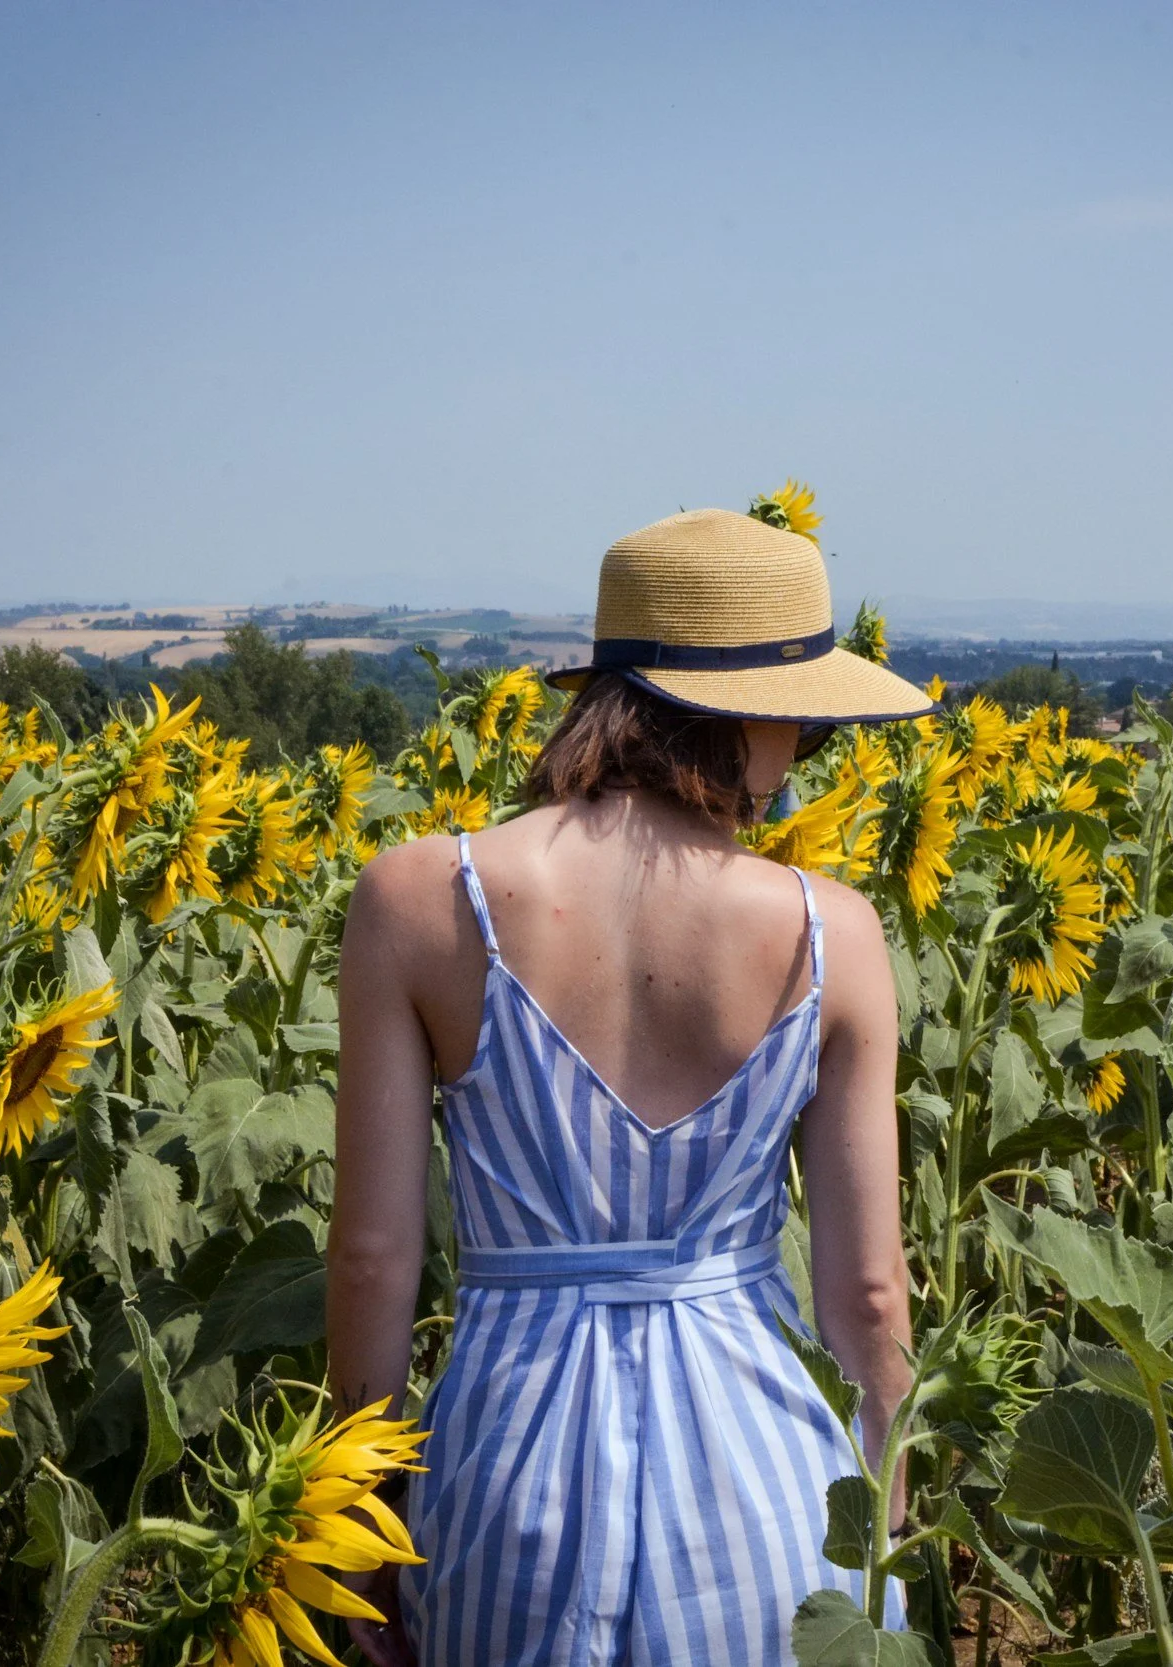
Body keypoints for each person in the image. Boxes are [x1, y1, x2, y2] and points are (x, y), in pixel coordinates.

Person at [329, 508, 932, 1665]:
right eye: (799, 724)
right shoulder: (829, 932)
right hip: (765, 1482)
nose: (796, 759)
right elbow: (866, 1290)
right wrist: (887, 1524)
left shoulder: (416, 900)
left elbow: (370, 1261)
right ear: (742, 715)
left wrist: (355, 1538)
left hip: (504, 1471)